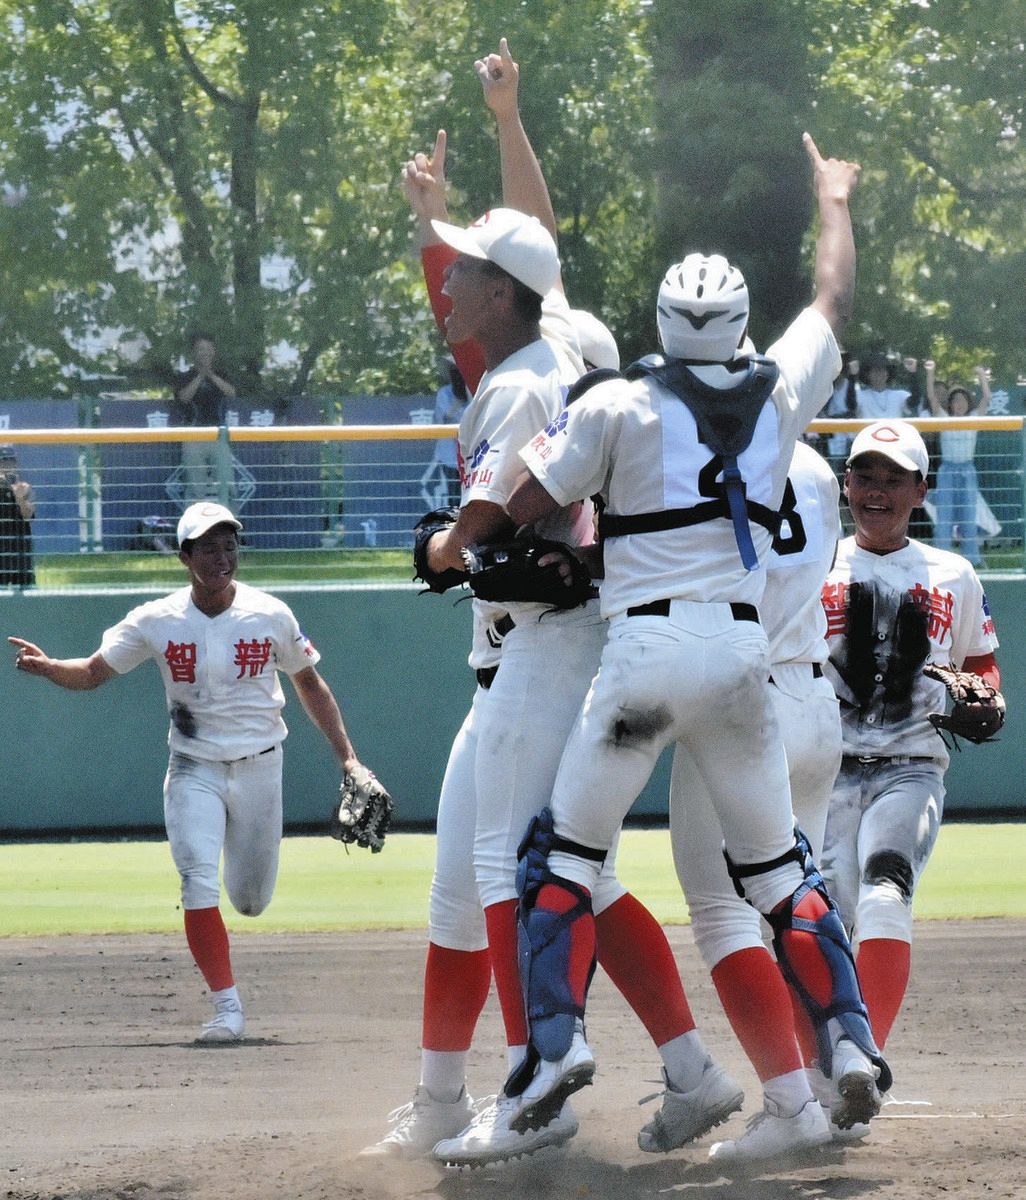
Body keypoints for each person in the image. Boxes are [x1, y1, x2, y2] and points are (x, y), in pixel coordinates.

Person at [362, 40, 740, 1168]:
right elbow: (521, 253)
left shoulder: (537, 370)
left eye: (461, 269)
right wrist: (478, 160)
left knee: (508, 867)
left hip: (555, 645)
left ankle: (535, 1093)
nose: (445, 277)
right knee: (503, 879)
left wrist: (444, 544)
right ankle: (675, 1071)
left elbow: (528, 248)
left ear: (504, 292)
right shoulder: (544, 346)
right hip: (532, 645)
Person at [485, 131, 893, 1172]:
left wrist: (459, 539)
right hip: (748, 669)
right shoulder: (785, 401)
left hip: (644, 659)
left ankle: (554, 1049)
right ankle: (847, 1034)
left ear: (662, 322)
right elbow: (832, 306)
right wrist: (832, 200)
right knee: (781, 880)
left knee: (560, 860)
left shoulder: (620, 401)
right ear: (742, 322)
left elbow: (527, 497)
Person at [9, 501, 383, 1042]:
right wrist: (49, 669)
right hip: (192, 766)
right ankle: (227, 1007)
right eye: (208, 547)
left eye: (229, 544)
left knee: (251, 900)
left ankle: (237, 911)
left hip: (260, 767)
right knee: (196, 880)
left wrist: (348, 756)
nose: (222, 555)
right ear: (185, 557)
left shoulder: (270, 613)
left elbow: (310, 684)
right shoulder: (156, 619)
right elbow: (93, 672)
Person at [669, 441, 852, 1165]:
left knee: (721, 912)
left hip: (743, 701)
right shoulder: (808, 462)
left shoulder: (690, 455)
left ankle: (790, 1104)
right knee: (789, 901)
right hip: (813, 694)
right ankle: (837, 1073)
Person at [819, 419, 1000, 1064]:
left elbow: (980, 664)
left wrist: (987, 697)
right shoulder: (814, 562)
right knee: (822, 913)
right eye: (864, 475)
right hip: (824, 770)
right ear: (844, 484)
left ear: (921, 490)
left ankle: (863, 1055)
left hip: (911, 767)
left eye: (893, 478)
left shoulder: (953, 572)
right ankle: (823, 1066)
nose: (876, 489)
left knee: (885, 892)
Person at [926, 361, 991, 566]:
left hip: (967, 471)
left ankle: (972, 558)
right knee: (944, 515)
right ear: (951, 404)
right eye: (956, 401)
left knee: (968, 516)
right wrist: (931, 372)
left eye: (963, 400)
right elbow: (931, 397)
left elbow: (987, 398)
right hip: (947, 471)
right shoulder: (944, 417)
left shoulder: (973, 418)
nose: (960, 404)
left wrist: (981, 374)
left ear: (967, 403)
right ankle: (941, 558)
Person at [174, 333, 237, 501]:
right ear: (193, 353)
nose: (205, 353)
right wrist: (200, 376)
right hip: (193, 433)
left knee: (226, 478)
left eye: (208, 349)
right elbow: (184, 397)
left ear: (214, 352)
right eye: (200, 349)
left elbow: (231, 393)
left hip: (218, 433)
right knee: (196, 481)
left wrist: (211, 375)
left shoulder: (221, 374)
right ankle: (197, 517)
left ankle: (230, 519)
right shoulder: (184, 376)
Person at [427, 359, 470, 508]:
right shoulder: (444, 393)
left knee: (470, 495)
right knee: (454, 496)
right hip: (450, 456)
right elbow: (448, 415)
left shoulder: (476, 392)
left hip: (472, 456)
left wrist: (469, 396)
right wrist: (459, 400)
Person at [0, 444, 35, 586]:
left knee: (26, 603)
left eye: (10, 462)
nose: (7, 467)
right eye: (3, 462)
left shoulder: (23, 487)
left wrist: (20, 498)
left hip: (20, 557)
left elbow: (28, 515)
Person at [855, 351, 912, 420]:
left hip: (893, 430)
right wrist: (852, 376)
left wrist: (913, 373)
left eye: (882, 370)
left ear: (888, 373)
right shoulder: (859, 395)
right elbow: (850, 408)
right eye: (875, 371)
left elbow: (914, 402)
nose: (879, 374)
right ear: (867, 375)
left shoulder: (900, 395)